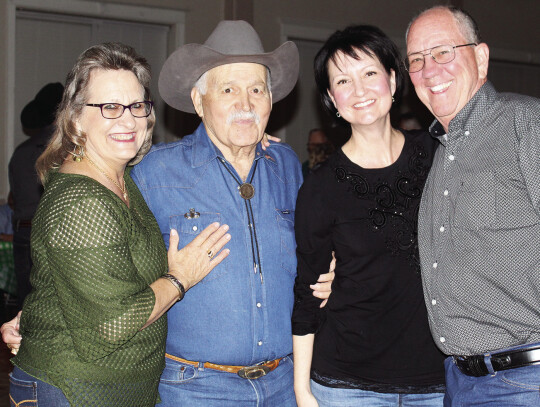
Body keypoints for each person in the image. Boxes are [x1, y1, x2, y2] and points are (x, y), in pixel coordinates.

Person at [7, 42, 230, 407]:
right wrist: (179, 278)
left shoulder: (122, 177)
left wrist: (248, 139)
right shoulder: (82, 202)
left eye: (137, 106)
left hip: (112, 388)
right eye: (109, 107)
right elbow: (113, 323)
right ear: (77, 118)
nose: (128, 120)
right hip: (74, 388)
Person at [130, 20, 331, 406]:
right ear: (198, 101)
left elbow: (317, 246)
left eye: (257, 89)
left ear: (271, 102)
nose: (246, 103)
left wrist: (333, 269)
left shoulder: (287, 166)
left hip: (284, 385)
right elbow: (105, 269)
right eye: (228, 90)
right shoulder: (153, 174)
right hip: (193, 388)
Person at [292, 25, 446, 406]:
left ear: (393, 80)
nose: (359, 91)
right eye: (343, 80)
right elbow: (307, 294)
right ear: (332, 98)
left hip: (437, 380)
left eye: (370, 74)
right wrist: (301, 390)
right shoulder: (320, 186)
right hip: (347, 385)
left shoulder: (439, 154)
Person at [405, 6, 540, 406]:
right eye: (416, 60)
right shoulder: (436, 156)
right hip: (458, 383)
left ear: (480, 57)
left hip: (525, 381)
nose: (430, 70)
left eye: (443, 52)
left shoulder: (526, 125)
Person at [9, 82, 63, 308]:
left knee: (26, 303)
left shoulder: (20, 152)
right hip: (51, 235)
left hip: (22, 232)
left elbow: (13, 198)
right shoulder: (64, 151)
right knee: (52, 305)